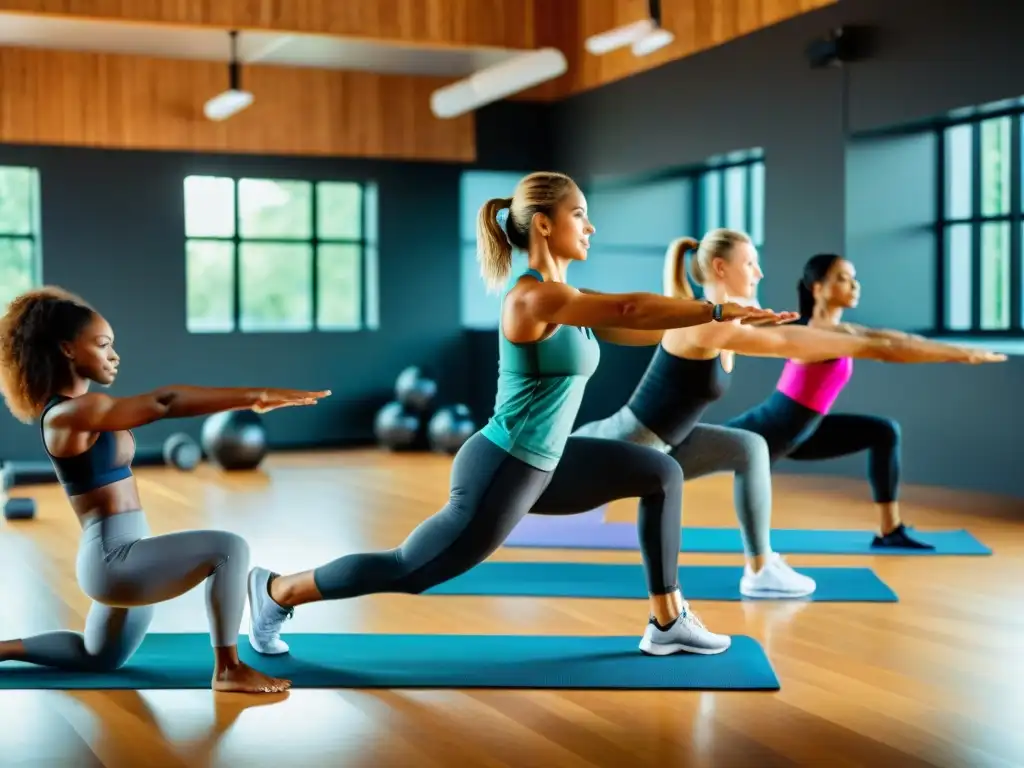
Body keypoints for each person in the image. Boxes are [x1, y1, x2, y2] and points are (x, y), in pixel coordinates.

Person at [246, 172, 789, 659]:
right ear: (545, 225)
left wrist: (726, 329)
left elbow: (638, 325)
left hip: (547, 462)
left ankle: (668, 621)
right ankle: (277, 590)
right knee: (410, 570)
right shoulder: (533, 298)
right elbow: (629, 308)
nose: (591, 227)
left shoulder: (569, 297)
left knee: (661, 473)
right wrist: (715, 307)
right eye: (579, 214)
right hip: (504, 465)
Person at [575, 231, 1007, 592]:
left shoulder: (722, 320)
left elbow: (877, 338)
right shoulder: (707, 324)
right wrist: (955, 354)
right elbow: (868, 345)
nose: (760, 272)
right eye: (751, 263)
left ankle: (761, 568)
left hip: (665, 446)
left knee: (749, 447)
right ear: (722, 269)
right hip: (622, 443)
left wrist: (951, 349)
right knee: (526, 495)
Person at [0, 287, 331, 693]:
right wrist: (255, 397)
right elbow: (164, 402)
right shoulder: (69, 415)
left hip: (127, 554)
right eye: (103, 345)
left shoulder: (86, 410)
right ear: (67, 350)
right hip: (113, 561)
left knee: (97, 656)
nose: (114, 356)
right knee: (229, 548)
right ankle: (228, 669)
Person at [723, 252, 1004, 549]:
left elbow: (901, 341)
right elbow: (887, 350)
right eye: (843, 278)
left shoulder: (844, 332)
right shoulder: (810, 335)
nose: (854, 285)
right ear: (817, 288)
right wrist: (958, 355)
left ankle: (890, 530)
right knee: (681, 457)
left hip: (807, 432)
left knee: (884, 431)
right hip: (770, 429)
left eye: (854, 279)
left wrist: (960, 350)